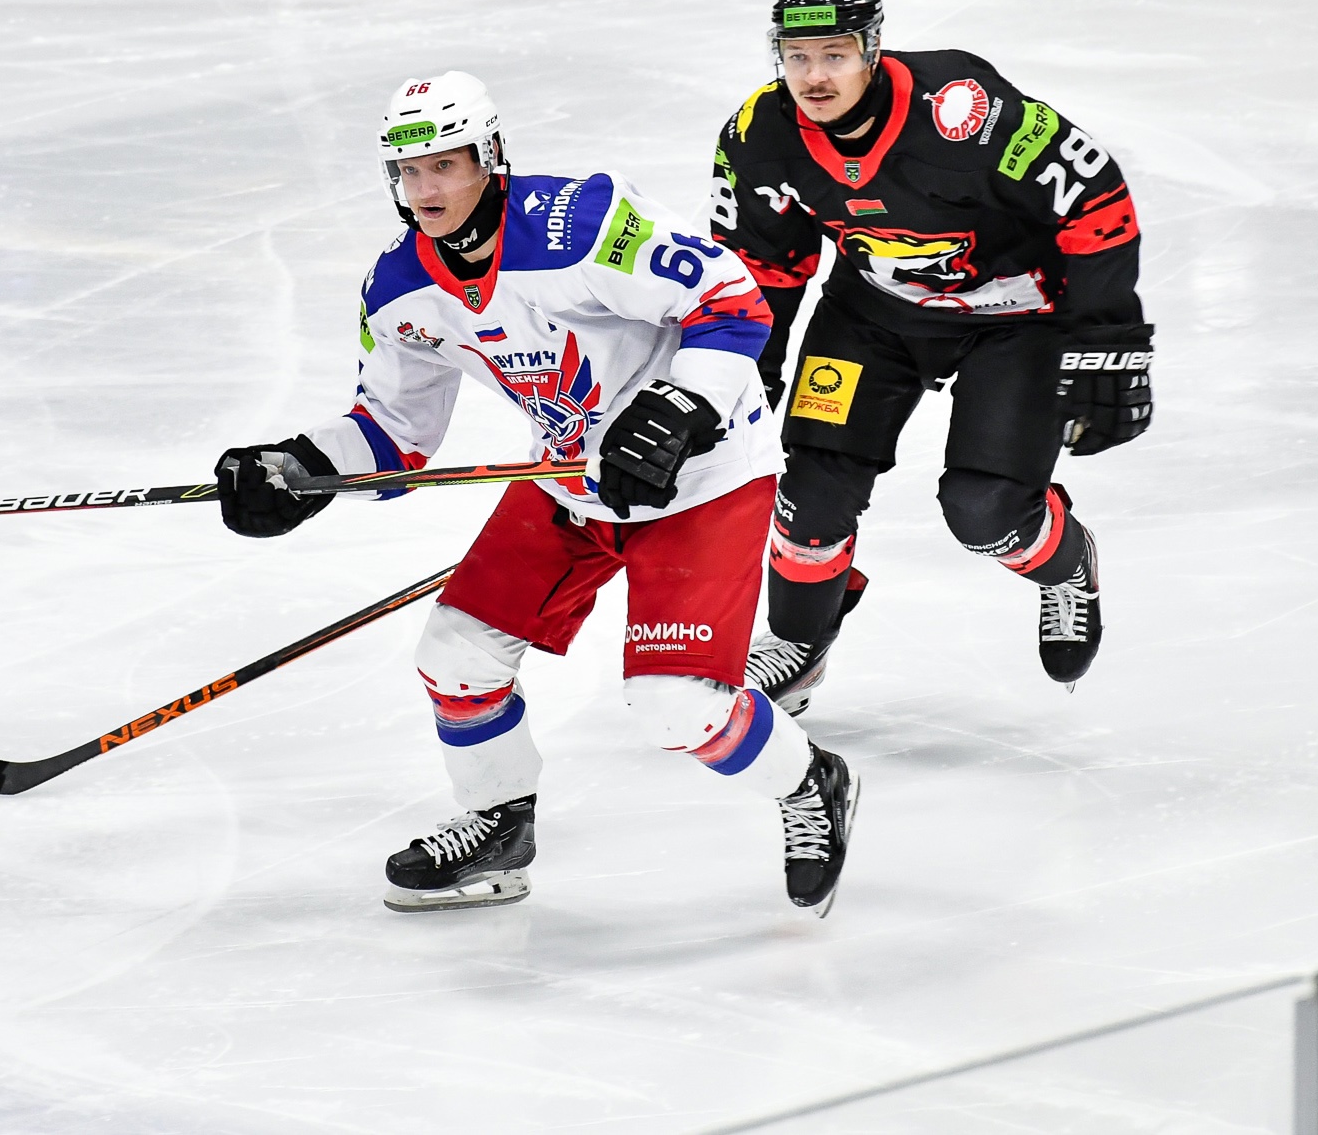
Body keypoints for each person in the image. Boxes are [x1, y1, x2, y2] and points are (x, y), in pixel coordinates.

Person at [214, 71, 860, 915]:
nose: (425, 190)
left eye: (444, 165)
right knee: (456, 656)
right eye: (408, 171)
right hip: (570, 481)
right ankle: (498, 824)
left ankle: (810, 782)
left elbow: (730, 298)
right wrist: (300, 468)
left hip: (703, 479)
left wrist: (680, 406)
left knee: (675, 706)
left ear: (489, 158)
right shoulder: (400, 286)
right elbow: (395, 432)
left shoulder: (578, 225)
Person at [709, 0, 1153, 713]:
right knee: (808, 498)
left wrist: (1110, 339)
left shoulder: (962, 112)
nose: (814, 77)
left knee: (985, 512)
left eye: (835, 55)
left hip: (1016, 319)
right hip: (874, 314)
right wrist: (743, 371)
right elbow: (764, 264)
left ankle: (1068, 564)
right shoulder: (759, 135)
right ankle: (799, 639)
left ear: (872, 48)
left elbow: (1094, 199)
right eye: (796, 56)